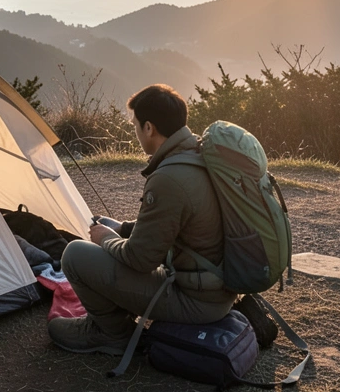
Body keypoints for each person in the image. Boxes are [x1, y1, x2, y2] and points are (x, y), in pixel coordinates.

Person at [48, 84, 238, 354]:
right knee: (106, 250)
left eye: (135, 124)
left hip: (196, 301)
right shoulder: (199, 156)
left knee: (75, 254)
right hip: (216, 289)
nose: (135, 131)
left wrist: (107, 239)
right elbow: (181, 226)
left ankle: (111, 334)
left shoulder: (169, 178)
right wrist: (123, 228)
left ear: (149, 128)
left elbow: (140, 259)